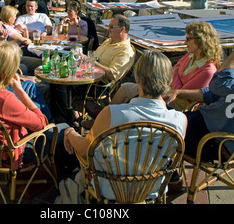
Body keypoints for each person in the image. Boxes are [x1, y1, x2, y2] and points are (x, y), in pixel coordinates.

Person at [63, 50, 187, 200]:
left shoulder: (112, 114)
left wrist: (69, 132)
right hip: (151, 190)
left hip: (110, 190)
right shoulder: (180, 120)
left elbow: (83, 150)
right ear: (168, 81)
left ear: (138, 79)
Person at [0, 42, 63, 168]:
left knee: (35, 102)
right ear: (8, 71)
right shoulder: (5, 99)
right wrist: (20, 92)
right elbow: (41, 124)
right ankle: (64, 172)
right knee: (64, 129)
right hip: (12, 153)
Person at [116, 21, 222, 111]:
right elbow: (170, 74)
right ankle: (110, 115)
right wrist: (174, 76)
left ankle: (112, 117)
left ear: (200, 41)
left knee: (131, 93)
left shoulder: (208, 70)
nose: (185, 42)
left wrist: (175, 74)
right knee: (126, 88)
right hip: (165, 92)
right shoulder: (190, 56)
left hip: (177, 104)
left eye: (188, 39)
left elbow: (182, 93)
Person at [50, 14, 135, 124]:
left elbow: (112, 75)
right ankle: (64, 114)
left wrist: (91, 61)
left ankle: (63, 121)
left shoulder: (125, 51)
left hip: (95, 85)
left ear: (122, 29)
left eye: (111, 27)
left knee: (59, 83)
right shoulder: (109, 41)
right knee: (57, 74)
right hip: (86, 73)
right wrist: (82, 58)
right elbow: (93, 56)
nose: (108, 29)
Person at [164, 51, 234, 162]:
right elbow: (211, 93)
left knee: (156, 127)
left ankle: (172, 176)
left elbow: (216, 83)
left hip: (212, 142)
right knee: (153, 111)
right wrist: (178, 92)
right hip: (204, 126)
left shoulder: (209, 70)